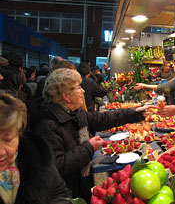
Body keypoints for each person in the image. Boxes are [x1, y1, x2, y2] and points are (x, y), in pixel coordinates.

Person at [28, 68, 149, 202]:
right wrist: (88, 147)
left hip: (80, 182)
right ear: (66, 96)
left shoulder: (74, 113)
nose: (83, 91)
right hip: (65, 194)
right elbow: (56, 166)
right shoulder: (47, 125)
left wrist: (135, 113)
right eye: (78, 88)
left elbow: (102, 119)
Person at [0, 91, 72, 204]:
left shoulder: (37, 155)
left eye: (8, 139)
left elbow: (59, 193)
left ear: (19, 134)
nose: (1, 151)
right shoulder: (48, 126)